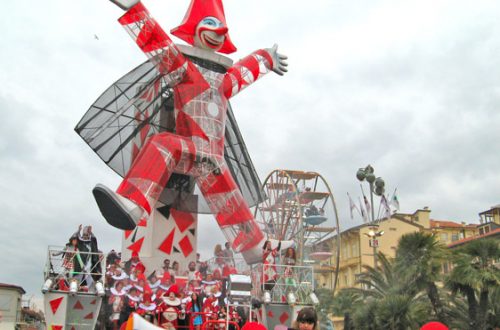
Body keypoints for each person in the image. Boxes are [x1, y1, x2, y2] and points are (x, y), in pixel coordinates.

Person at [90, 0, 288, 265]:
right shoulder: (185, 72)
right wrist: (134, 9)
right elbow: (159, 45)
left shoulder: (223, 83)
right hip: (193, 149)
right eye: (211, 25)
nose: (218, 33)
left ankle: (255, 247)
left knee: (227, 197)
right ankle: (134, 206)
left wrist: (265, 57)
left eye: (221, 30)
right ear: (194, 30)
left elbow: (242, 71)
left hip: (212, 157)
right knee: (165, 145)